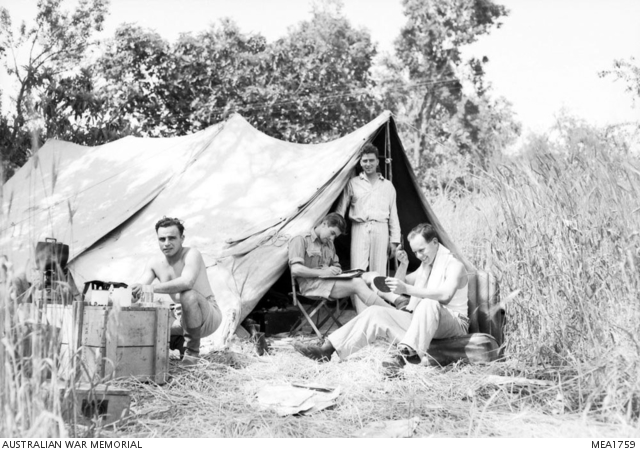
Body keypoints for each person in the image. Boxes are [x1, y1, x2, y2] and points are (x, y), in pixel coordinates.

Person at [293, 223, 469, 375]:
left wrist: (407, 289)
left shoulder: (454, 265)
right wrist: (404, 265)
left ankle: (402, 358)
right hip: (423, 320)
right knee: (375, 312)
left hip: (454, 323)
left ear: (435, 242)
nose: (419, 256)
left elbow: (445, 296)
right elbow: (399, 284)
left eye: (421, 250)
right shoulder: (426, 267)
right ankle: (327, 350)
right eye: (415, 252)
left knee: (428, 303)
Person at [131, 217, 222, 365]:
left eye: (172, 238)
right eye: (162, 239)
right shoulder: (154, 262)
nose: (166, 243)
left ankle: (192, 355)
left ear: (182, 238)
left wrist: (149, 289)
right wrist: (125, 295)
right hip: (181, 317)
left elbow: (187, 282)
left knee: (188, 294)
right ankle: (177, 343)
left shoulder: (191, 253)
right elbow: (138, 288)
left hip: (207, 315)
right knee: (141, 316)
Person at [335, 143, 401, 313]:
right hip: (360, 227)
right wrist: (334, 232)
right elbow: (341, 211)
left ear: (377, 161)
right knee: (358, 271)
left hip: (381, 227)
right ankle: (361, 313)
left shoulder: (387, 186)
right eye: (364, 161)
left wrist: (394, 240)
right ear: (360, 162)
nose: (368, 164)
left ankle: (379, 313)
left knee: (379, 272)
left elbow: (393, 214)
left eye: (371, 160)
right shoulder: (353, 183)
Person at [288, 213, 391, 312]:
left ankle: (395, 302)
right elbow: (295, 270)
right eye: (332, 233)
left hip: (329, 281)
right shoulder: (300, 239)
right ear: (324, 224)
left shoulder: (329, 243)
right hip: (311, 286)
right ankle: (392, 311)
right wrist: (323, 272)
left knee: (373, 275)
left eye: (335, 236)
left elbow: (336, 264)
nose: (332, 238)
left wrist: (336, 269)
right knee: (358, 283)